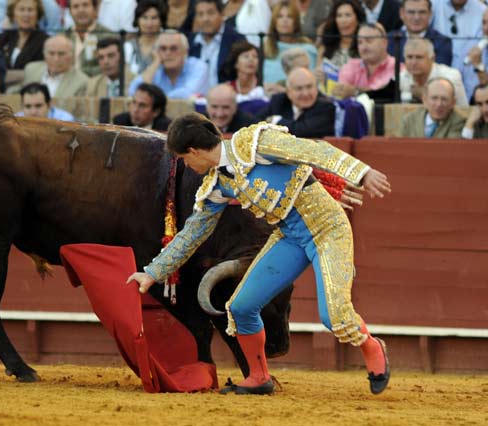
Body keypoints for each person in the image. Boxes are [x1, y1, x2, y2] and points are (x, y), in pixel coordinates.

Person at [127, 112, 392, 395]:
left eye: (185, 159)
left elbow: (315, 150)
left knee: (335, 316)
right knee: (240, 307)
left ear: (193, 152)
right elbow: (193, 232)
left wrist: (362, 172)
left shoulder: (255, 144)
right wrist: (154, 272)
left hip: (328, 229)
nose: (187, 166)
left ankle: (373, 347)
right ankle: (258, 377)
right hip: (290, 237)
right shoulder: (217, 184)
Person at [256, 67, 336, 138]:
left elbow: (301, 131)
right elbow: (256, 122)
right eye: (299, 88)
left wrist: (276, 120)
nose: (305, 93)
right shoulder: (279, 101)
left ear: (316, 88)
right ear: (288, 92)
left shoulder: (326, 107)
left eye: (309, 87)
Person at [128, 30, 208, 99]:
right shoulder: (155, 70)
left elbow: (188, 92)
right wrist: (156, 62)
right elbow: (133, 91)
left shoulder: (198, 66)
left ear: (185, 51)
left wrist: (156, 99)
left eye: (173, 48)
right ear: (157, 52)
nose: (168, 53)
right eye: (163, 48)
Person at [335, 22, 402, 103]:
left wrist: (355, 91)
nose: (364, 47)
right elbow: (341, 92)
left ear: (384, 42)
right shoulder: (350, 66)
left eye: (369, 41)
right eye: (360, 42)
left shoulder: (397, 68)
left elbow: (383, 92)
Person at [188, 0, 246, 89]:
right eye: (200, 14)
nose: (205, 19)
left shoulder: (236, 40)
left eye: (210, 13)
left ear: (222, 14)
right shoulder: (189, 42)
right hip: (194, 98)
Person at [262, 0, 317, 85]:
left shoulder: (308, 50)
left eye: (290, 17)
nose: (285, 20)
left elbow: (311, 82)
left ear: (295, 23)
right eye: (280, 17)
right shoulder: (265, 48)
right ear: (274, 22)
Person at [400, 38, 467, 106]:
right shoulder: (400, 78)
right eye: (409, 57)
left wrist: (424, 94)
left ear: (432, 58)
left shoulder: (451, 76)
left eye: (419, 57)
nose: (413, 62)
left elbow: (463, 109)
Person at [0, 0, 49, 87]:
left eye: (30, 10)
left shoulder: (45, 41)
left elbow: (38, 73)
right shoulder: (3, 38)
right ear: (13, 14)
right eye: (21, 9)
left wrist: (6, 75)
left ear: (37, 14)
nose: (26, 14)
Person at [387, 0, 452, 66]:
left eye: (422, 12)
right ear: (401, 14)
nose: (416, 17)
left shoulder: (442, 42)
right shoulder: (389, 39)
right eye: (411, 12)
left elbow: (439, 72)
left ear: (430, 14)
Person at [22, 34, 89, 99]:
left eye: (61, 54)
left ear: (71, 56)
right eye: (51, 53)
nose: (56, 59)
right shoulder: (31, 69)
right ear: (44, 55)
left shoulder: (81, 81)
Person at [399, 77, 466, 138]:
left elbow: (452, 148)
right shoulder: (409, 120)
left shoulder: (459, 123)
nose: (439, 104)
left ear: (453, 103)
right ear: (424, 100)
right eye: (434, 98)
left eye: (444, 99)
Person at [64, 0, 114, 78]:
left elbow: (112, 67)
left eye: (85, 5)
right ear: (70, 11)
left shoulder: (109, 36)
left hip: (96, 85)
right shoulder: (63, 37)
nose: (81, 10)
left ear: (95, 9)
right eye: (76, 6)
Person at [317, 0, 366, 70]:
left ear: (357, 19)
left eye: (348, 15)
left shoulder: (364, 46)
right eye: (339, 16)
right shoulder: (326, 47)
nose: (343, 20)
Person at [124, 0, 167, 75]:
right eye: (144, 17)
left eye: (154, 18)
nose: (149, 24)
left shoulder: (167, 46)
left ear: (161, 21)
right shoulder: (128, 47)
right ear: (137, 20)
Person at [224, 40, 269, 104]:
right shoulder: (227, 88)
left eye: (255, 56)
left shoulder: (265, 88)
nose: (251, 60)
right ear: (236, 63)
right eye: (246, 56)